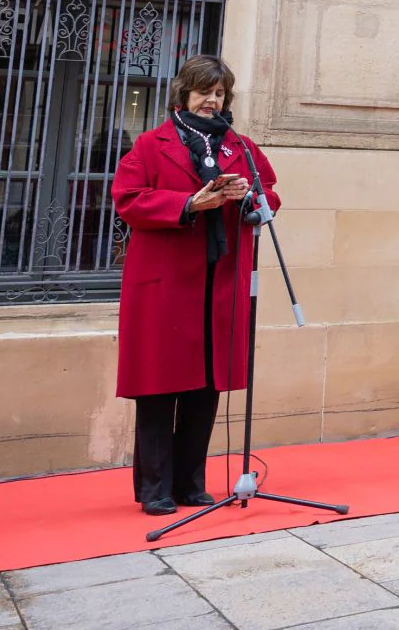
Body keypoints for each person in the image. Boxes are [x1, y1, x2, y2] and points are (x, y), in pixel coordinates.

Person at [113, 55, 280, 516]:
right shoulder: (150, 144)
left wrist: (248, 195)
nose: (212, 100)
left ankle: (190, 482)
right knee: (158, 389)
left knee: (205, 386)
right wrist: (190, 202)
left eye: (220, 93)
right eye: (205, 91)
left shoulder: (239, 146)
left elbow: (270, 192)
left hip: (219, 285)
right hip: (165, 287)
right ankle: (155, 489)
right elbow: (128, 200)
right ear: (184, 94)